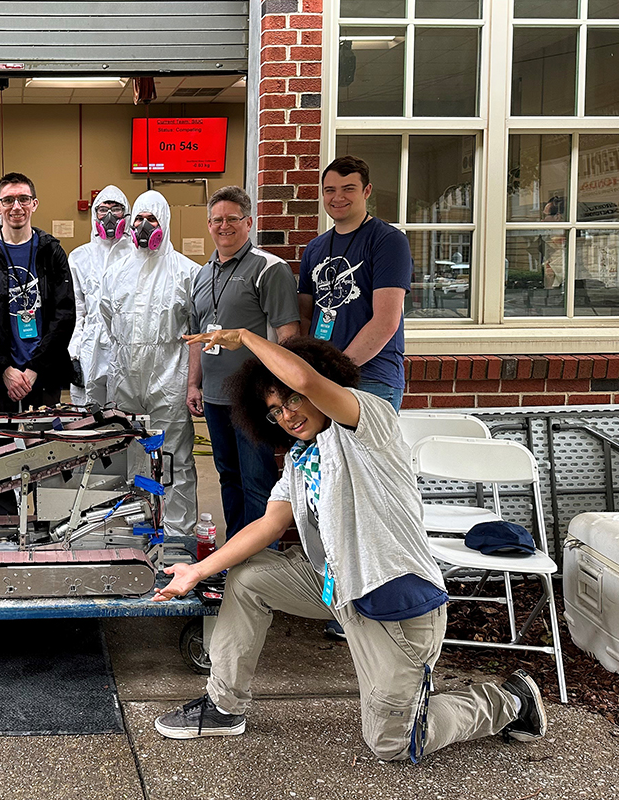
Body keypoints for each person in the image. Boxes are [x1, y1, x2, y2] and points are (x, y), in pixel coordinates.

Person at [153, 328, 547, 761]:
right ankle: (223, 706)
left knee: (394, 744)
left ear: (322, 383)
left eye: (291, 401)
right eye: (275, 410)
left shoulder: (369, 422)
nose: (286, 414)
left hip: (394, 607)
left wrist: (246, 338)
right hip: (341, 591)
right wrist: (199, 571)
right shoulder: (303, 461)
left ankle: (509, 701)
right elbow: (268, 525)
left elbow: (305, 381)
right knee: (248, 578)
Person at [188, 186, 300, 539]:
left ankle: (262, 562)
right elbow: (198, 338)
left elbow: (289, 336)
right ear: (208, 225)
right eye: (217, 220)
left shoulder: (269, 269)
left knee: (258, 482)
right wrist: (193, 384)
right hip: (217, 398)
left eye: (232, 219)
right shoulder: (201, 276)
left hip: (254, 400)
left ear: (248, 222)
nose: (224, 226)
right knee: (228, 477)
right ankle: (237, 552)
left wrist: (279, 393)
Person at [0, 172, 75, 517]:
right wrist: (6, 369)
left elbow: (64, 314)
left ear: (34, 204)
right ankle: (4, 522)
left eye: (23, 199)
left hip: (42, 372)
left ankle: (48, 523)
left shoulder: (51, 251)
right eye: (9, 200)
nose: (17, 206)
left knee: (46, 452)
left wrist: (33, 368)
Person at [100, 190, 197, 538]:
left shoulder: (187, 272)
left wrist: (190, 382)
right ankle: (136, 530)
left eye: (151, 220)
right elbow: (109, 320)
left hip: (169, 375)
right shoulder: (117, 271)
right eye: (138, 219)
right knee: (131, 457)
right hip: (125, 376)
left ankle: (177, 535)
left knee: (174, 460)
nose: (142, 226)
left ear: (165, 223)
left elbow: (194, 330)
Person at [298, 156, 411, 412]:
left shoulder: (388, 241)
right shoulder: (315, 248)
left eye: (348, 188)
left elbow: (386, 321)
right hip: (323, 380)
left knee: (364, 454)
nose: (338, 197)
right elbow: (305, 315)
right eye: (330, 190)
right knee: (324, 454)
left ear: (366, 191)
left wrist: (336, 371)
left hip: (370, 380)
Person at [68, 185, 134, 406]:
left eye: (116, 209)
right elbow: (77, 310)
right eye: (102, 210)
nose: (109, 216)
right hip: (91, 344)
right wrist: (73, 354)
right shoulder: (80, 257)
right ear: (95, 214)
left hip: (126, 343)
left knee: (124, 409)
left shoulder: (136, 254)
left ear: (126, 214)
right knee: (87, 410)